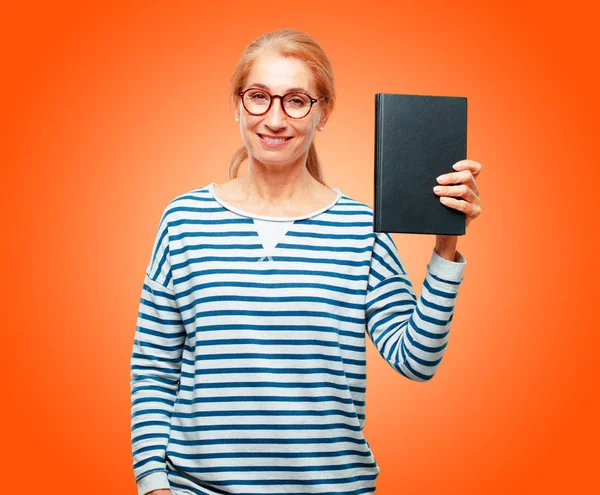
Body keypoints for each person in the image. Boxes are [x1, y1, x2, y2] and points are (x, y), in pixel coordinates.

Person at [130, 28, 482, 495]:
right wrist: (154, 484)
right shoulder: (184, 221)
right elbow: (154, 365)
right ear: (237, 104)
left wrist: (445, 245)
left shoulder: (362, 228)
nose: (274, 118)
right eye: (258, 97)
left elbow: (415, 360)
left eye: (296, 100)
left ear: (324, 112)